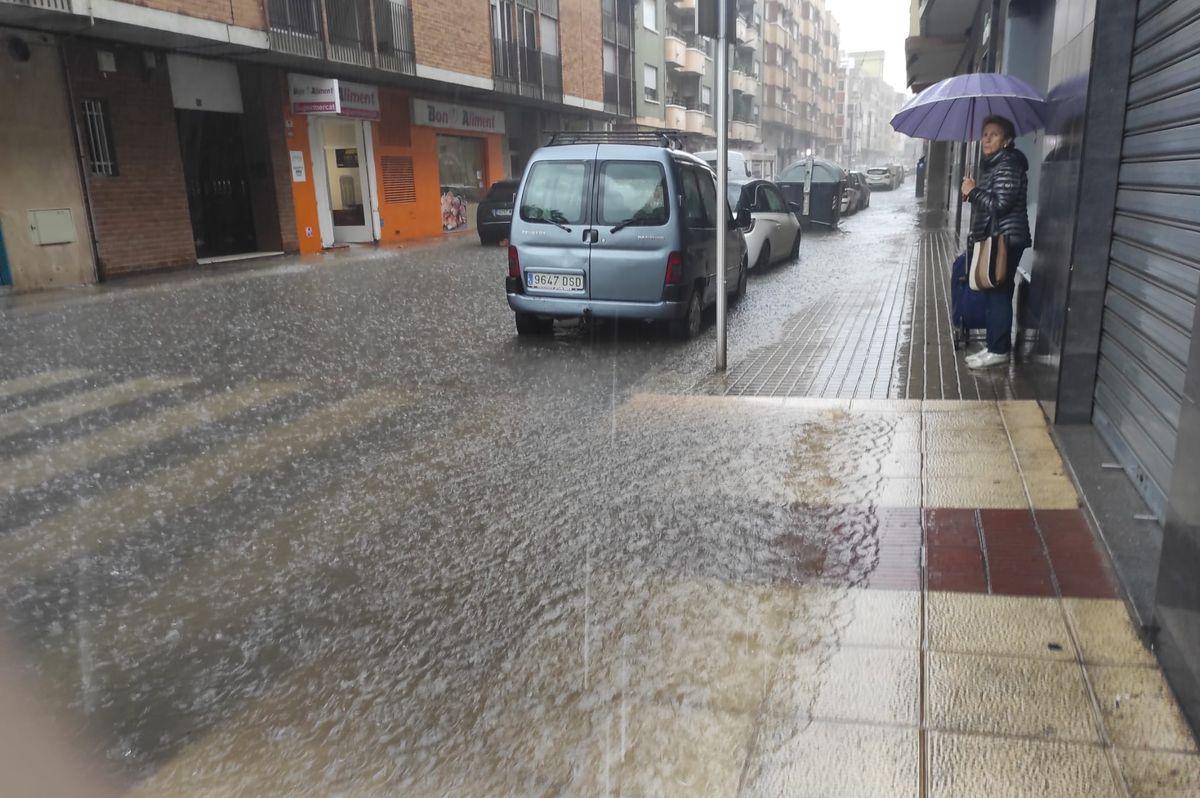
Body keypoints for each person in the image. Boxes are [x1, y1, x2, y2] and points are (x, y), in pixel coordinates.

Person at [961, 115, 1032, 369]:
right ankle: (993, 346)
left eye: (994, 134)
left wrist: (974, 192)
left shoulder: (1008, 165)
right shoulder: (995, 165)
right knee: (994, 293)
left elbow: (1000, 206)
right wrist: (974, 192)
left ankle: (999, 350)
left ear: (1006, 141)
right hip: (998, 236)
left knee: (999, 293)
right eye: (984, 134)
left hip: (1005, 238)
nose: (987, 139)